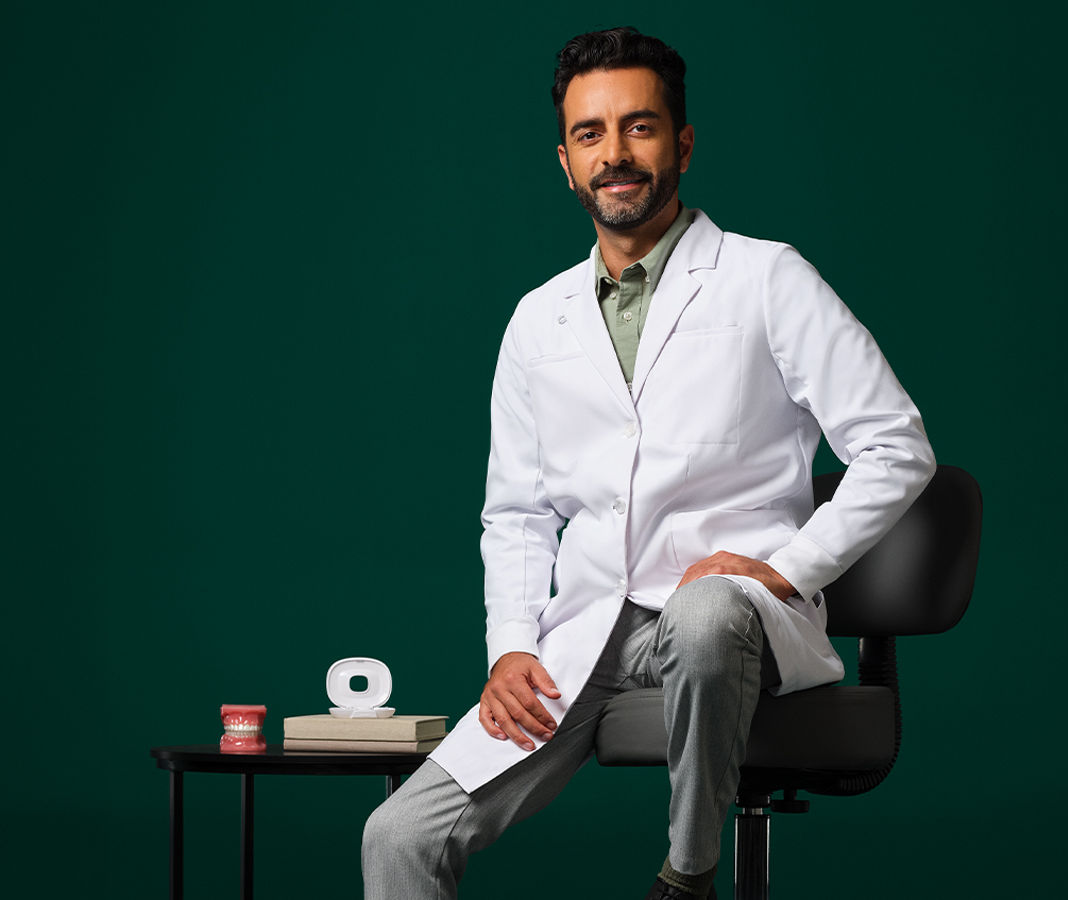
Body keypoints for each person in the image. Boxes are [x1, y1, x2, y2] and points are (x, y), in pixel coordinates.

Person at [363, 26, 935, 900]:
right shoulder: (536, 319)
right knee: (397, 835)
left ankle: (686, 875)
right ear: (565, 161)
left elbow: (897, 445)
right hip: (586, 637)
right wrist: (511, 645)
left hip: (733, 623)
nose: (615, 154)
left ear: (683, 143)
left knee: (706, 611)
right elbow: (515, 514)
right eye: (590, 134)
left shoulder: (766, 279)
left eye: (639, 126)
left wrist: (785, 570)